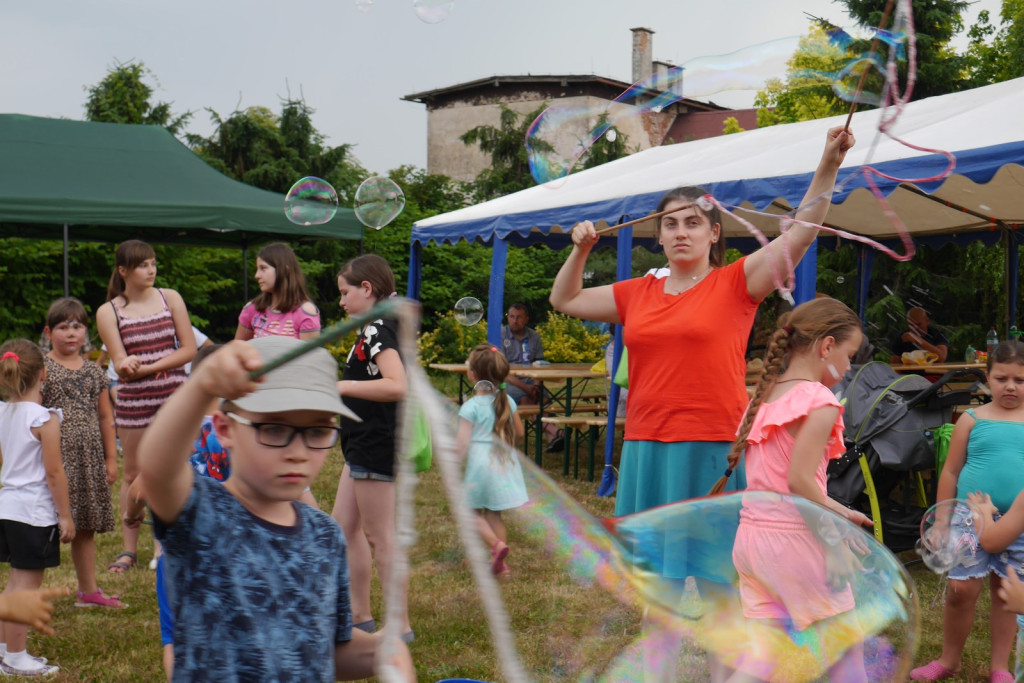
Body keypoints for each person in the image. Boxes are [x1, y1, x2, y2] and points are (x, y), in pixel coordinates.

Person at [549, 125, 855, 519]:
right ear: (659, 236)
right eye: (671, 224)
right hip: (645, 440)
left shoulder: (736, 283)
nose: (681, 232)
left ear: (714, 233)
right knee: (651, 556)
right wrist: (580, 251)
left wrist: (829, 163)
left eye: (692, 223)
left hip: (711, 440)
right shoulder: (638, 291)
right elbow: (565, 298)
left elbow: (802, 233)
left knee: (711, 556)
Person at [137, 336, 414, 681]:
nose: (297, 452)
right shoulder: (200, 513)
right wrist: (202, 387)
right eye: (275, 428)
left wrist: (381, 651)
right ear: (224, 429)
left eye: (317, 431)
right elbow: (156, 468)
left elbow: (327, 647)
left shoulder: (326, 536)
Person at [727, 297, 874, 681]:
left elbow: (783, 481)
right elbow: (798, 482)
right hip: (797, 544)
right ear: (827, 346)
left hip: (753, 541)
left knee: (763, 661)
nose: (849, 367)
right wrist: (832, 544)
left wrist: (840, 510)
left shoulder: (765, 396)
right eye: (849, 355)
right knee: (846, 659)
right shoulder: (818, 399)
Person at [910, 339, 1024, 683]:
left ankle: (999, 667)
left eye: (1020, 380)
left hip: (1018, 523)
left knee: (1008, 593)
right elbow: (950, 471)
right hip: (967, 518)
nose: (1010, 386)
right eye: (1002, 378)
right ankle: (949, 659)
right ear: (988, 378)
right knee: (960, 591)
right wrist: (941, 521)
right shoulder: (971, 419)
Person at [96, 239, 196, 573]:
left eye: (153, 263)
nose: (151, 270)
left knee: (171, 470)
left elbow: (189, 349)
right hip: (135, 402)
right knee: (134, 474)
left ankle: (163, 546)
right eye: (142, 265)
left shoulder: (171, 298)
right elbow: (119, 359)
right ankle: (129, 550)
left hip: (174, 400)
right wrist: (126, 366)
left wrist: (149, 367)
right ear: (123, 271)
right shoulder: (109, 311)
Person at [332, 254, 412, 641]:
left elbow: (397, 385)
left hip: (373, 444)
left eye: (344, 293)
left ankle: (400, 625)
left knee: (380, 536)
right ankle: (359, 616)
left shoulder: (379, 327)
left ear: (367, 289)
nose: (341, 302)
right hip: (360, 445)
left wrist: (341, 386)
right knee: (343, 528)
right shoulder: (375, 326)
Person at [40, 298, 124, 609]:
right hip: (55, 458)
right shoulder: (41, 370)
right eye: (63, 327)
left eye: (77, 326)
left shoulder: (94, 371)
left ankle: (88, 591)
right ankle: (25, 589)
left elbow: (105, 416)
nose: (71, 333)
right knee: (42, 523)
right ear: (49, 332)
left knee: (84, 525)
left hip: (88, 459)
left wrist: (110, 459)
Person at [0, 339, 75, 677]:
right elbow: (54, 472)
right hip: (33, 513)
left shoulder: (3, 413)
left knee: (14, 584)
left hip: (7, 509)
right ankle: (16, 657)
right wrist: (65, 515)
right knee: (25, 589)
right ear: (43, 374)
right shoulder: (45, 418)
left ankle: (5, 648)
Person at [455, 344, 527, 578]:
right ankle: (500, 565)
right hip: (502, 463)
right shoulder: (507, 401)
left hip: (479, 466)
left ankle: (496, 546)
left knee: (470, 513)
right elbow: (520, 432)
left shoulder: (470, 407)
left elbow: (462, 443)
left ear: (473, 375)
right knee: (494, 515)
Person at [499, 303, 563, 452]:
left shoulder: (534, 337)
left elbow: (539, 364)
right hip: (509, 381)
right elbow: (502, 370)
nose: (515, 321)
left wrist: (536, 385)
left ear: (526, 319)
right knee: (526, 399)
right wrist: (527, 388)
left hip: (531, 379)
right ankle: (555, 432)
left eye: (519, 317)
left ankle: (553, 437)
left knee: (542, 399)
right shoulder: (501, 335)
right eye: (512, 317)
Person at [235, 242, 321, 341]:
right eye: (257, 269)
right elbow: (238, 348)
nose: (256, 275)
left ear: (285, 270)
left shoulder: (304, 312)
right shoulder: (252, 308)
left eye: (263, 268)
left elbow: (310, 351)